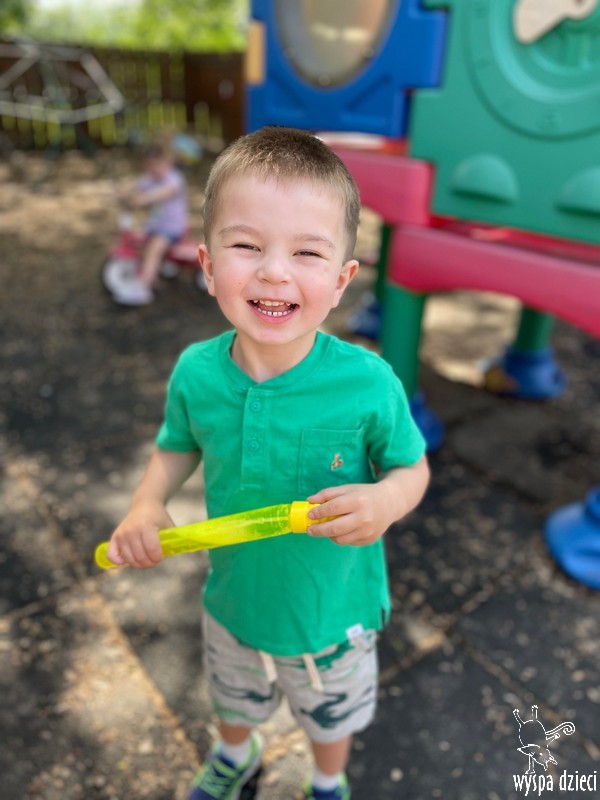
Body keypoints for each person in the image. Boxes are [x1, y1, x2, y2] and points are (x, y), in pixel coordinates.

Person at [106, 126, 430, 800]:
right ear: (207, 265)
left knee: (329, 721)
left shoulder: (368, 383)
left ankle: (327, 781)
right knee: (231, 703)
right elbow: (177, 444)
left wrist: (387, 500)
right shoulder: (197, 372)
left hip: (330, 615)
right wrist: (146, 501)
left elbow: (412, 468)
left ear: (341, 280)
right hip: (234, 603)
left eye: (307, 252)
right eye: (247, 246)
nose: (274, 271)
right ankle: (236, 756)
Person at [113, 141, 188, 306]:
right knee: (138, 241)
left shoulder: (174, 179)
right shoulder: (150, 179)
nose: (154, 169)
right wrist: (120, 193)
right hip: (154, 226)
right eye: (150, 166)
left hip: (171, 228)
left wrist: (144, 199)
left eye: (157, 165)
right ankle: (150, 273)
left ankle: (142, 290)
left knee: (153, 250)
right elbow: (135, 186)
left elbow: (164, 193)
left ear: (167, 162)